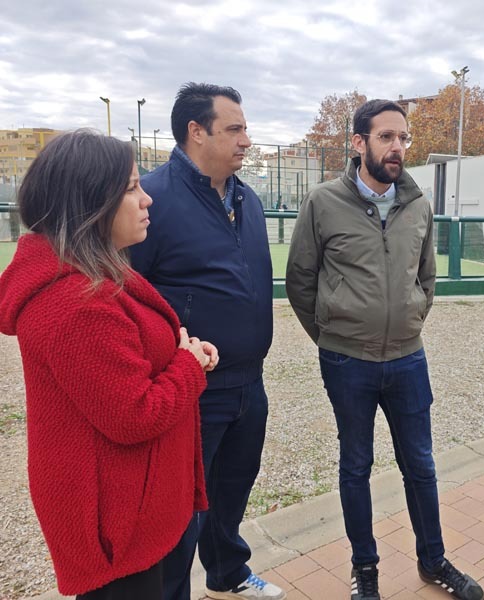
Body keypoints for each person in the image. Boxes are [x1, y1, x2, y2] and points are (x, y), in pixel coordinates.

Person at [0, 130, 216, 599]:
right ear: (91, 202)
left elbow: (124, 365)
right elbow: (133, 414)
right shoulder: (75, 302)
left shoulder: (92, 273)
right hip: (115, 521)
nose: (147, 199)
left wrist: (184, 353)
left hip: (130, 503)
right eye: (132, 187)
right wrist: (187, 366)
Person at [286, 99, 484, 600]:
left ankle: (433, 560)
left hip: (407, 358)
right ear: (359, 143)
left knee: (421, 464)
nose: (398, 147)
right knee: (356, 466)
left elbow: (426, 277)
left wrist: (410, 320)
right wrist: (331, 337)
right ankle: (365, 568)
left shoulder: (418, 204)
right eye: (386, 137)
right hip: (346, 362)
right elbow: (300, 281)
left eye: (403, 138)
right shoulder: (323, 202)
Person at [129, 83, 282, 600]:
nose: (246, 140)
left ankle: (227, 574)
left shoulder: (247, 199)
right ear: (196, 132)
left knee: (232, 489)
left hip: (249, 382)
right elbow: (128, 295)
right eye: (234, 129)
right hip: (191, 387)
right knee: (178, 513)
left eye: (245, 128)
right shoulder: (152, 200)